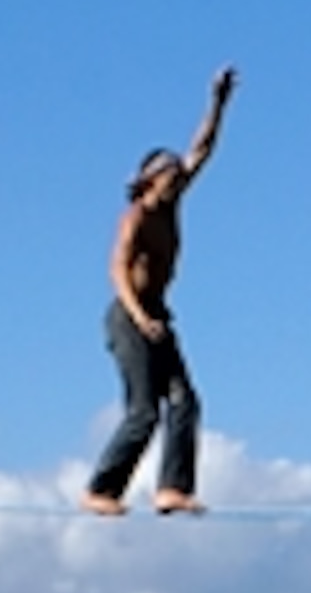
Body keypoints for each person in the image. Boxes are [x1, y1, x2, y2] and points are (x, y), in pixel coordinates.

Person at [82, 67, 237, 515]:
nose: (177, 183)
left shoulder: (173, 201)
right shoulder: (135, 218)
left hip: (157, 313)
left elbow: (202, 149)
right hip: (130, 315)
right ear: (149, 181)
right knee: (145, 411)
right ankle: (102, 490)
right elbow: (116, 268)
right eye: (169, 178)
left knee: (185, 401)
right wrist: (140, 316)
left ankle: (172, 489)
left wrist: (218, 104)